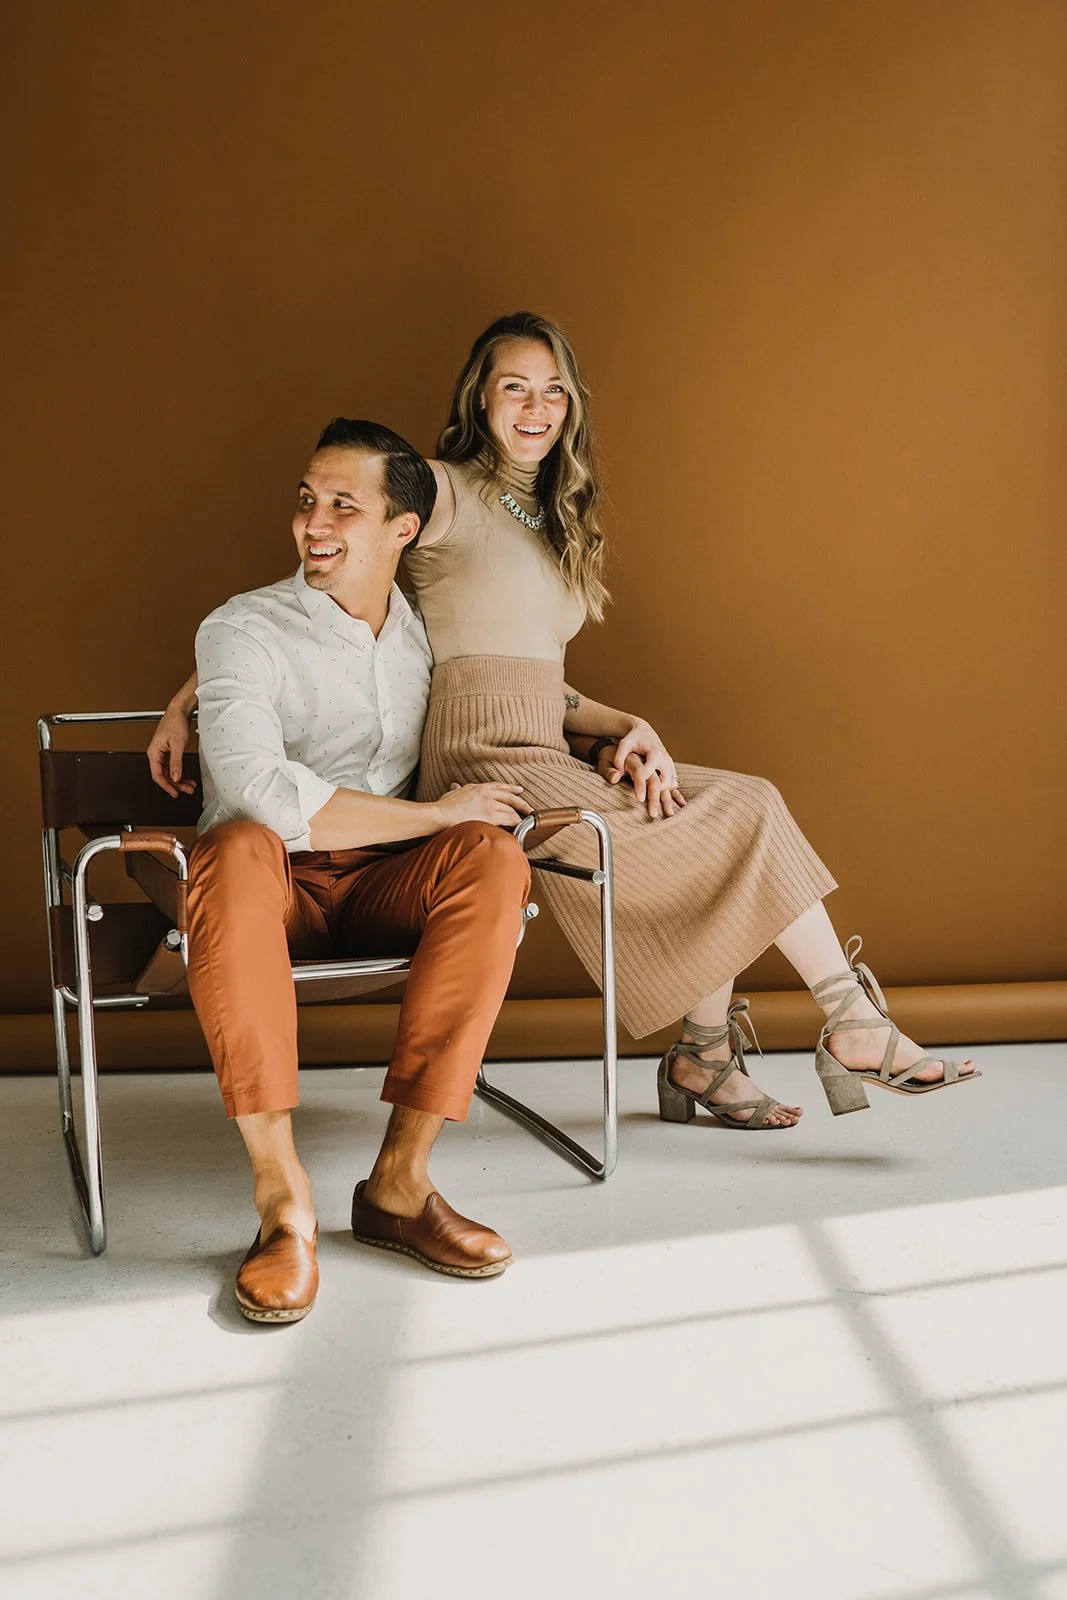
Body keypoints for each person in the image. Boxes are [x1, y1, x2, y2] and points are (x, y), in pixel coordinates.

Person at [152, 315, 979, 1137]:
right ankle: (836, 1022)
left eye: (553, 390)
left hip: (543, 736)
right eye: (513, 387)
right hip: (477, 754)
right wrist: (192, 694)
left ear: (572, 403)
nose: (534, 407)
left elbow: (533, 669)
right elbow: (325, 562)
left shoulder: (556, 517)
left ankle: (708, 1053)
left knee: (735, 805)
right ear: (479, 398)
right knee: (707, 832)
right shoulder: (443, 487)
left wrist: (627, 723)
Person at [186, 418, 534, 1324]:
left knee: (493, 857)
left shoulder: (422, 636)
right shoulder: (240, 629)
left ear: (401, 531)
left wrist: (619, 728)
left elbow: (526, 685)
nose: (314, 522)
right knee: (231, 849)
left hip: (383, 886)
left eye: (345, 505)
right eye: (307, 500)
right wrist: (433, 814)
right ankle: (281, 1203)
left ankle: (399, 1187)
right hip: (270, 889)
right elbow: (261, 792)